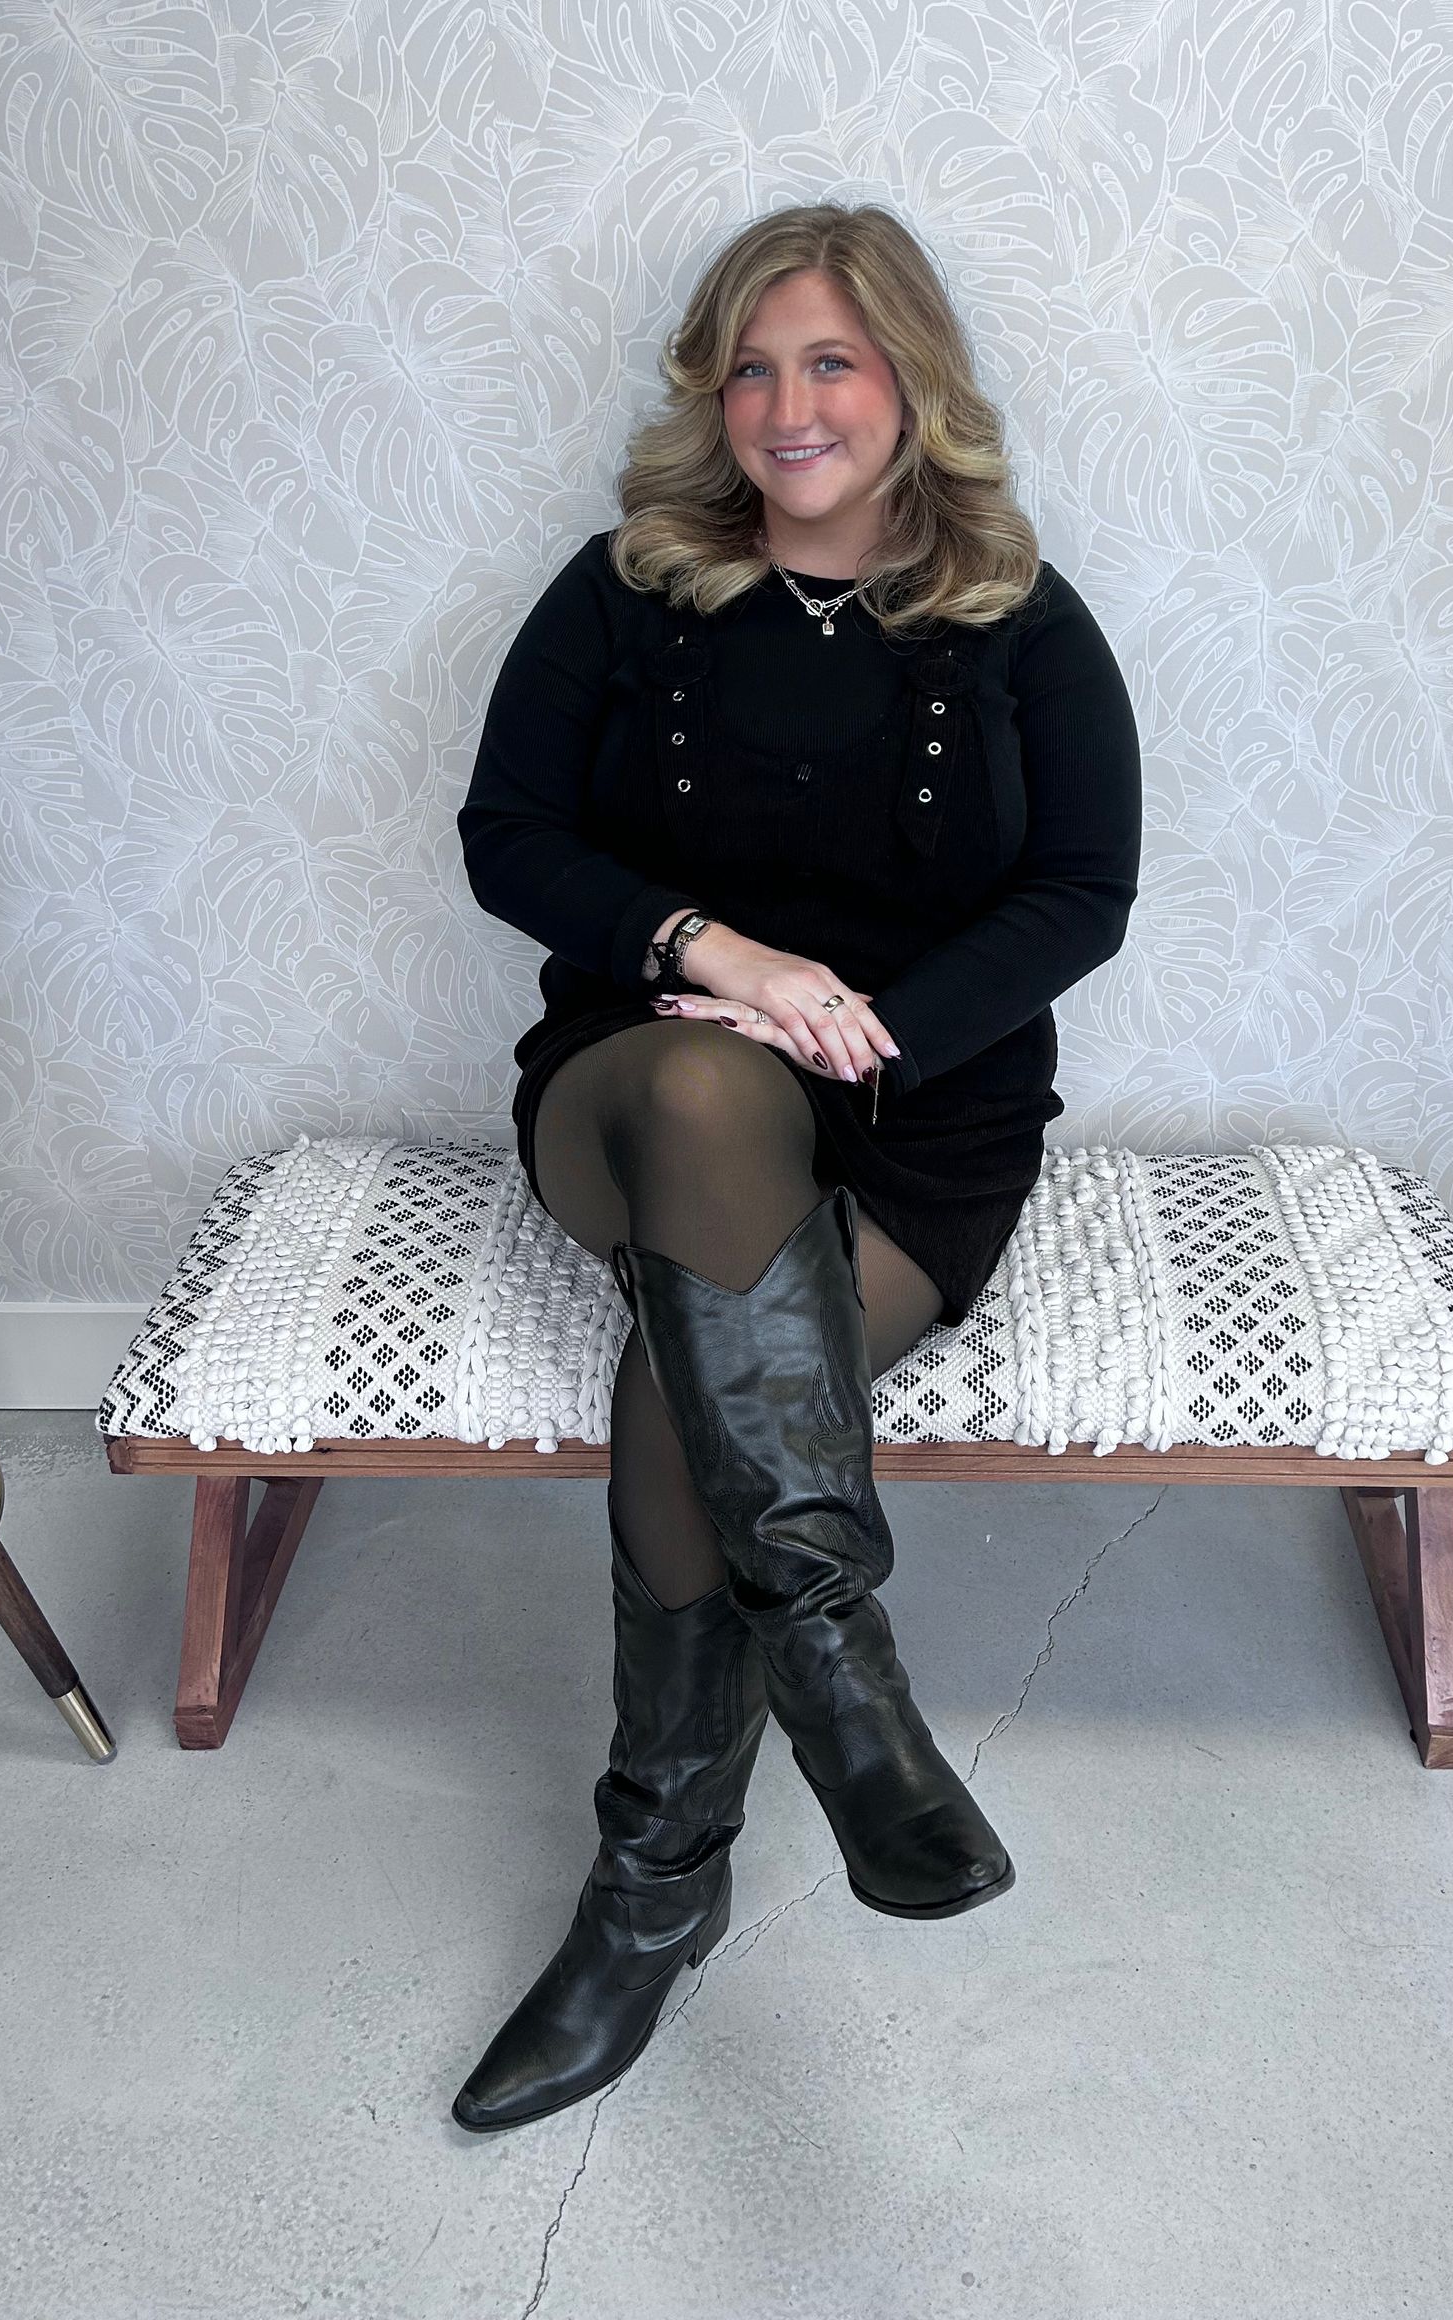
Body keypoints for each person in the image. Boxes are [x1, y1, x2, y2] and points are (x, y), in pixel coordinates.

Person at [450, 200, 1143, 2132]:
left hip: (921, 1122)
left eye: (831, 357)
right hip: (640, 1078)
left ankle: (650, 1893)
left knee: (693, 1382)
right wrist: (719, 963)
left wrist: (875, 1028)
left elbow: (1087, 892)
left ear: (911, 379)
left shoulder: (1021, 619)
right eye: (751, 363)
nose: (788, 403)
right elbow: (507, 836)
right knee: (700, 1102)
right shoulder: (624, 589)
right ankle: (846, 1695)